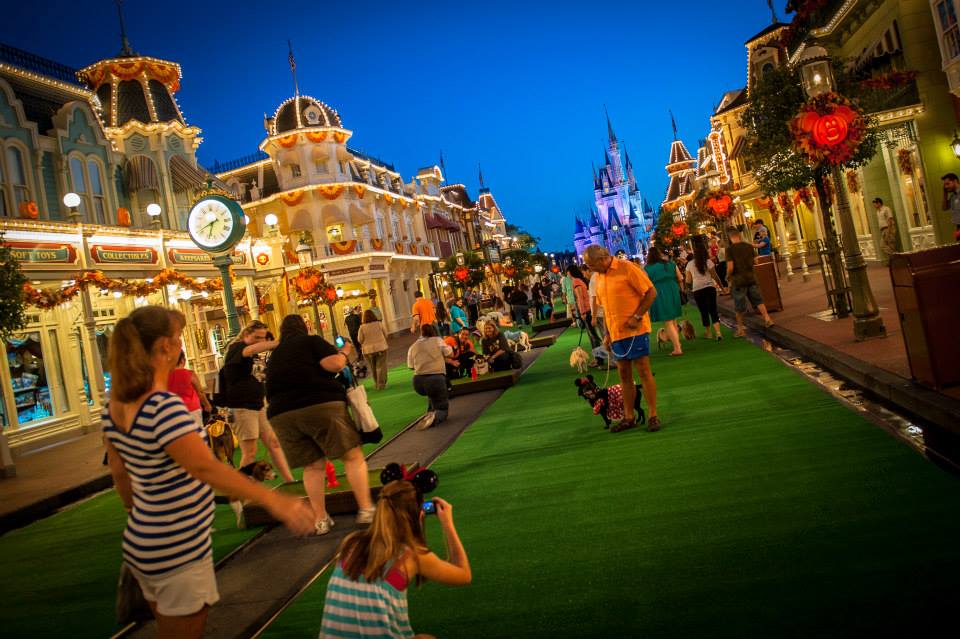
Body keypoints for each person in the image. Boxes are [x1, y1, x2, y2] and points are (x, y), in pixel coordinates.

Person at [103, 307, 313, 638]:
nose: (180, 346)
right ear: (164, 347)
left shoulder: (115, 405)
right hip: (177, 542)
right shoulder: (162, 406)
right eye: (178, 338)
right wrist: (274, 501)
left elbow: (119, 471)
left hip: (145, 539)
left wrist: (138, 512)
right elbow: (204, 465)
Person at [318, 480, 471, 639]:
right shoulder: (412, 555)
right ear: (419, 515)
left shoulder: (351, 543)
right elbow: (464, 575)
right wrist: (448, 524)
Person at [265, 314, 375, 535]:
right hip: (320, 404)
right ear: (304, 327)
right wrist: (344, 352)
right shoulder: (311, 341)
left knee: (313, 466)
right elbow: (334, 365)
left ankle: (321, 520)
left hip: (282, 415)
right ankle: (365, 509)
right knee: (352, 456)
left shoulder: (274, 356)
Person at [584, 244, 660, 432]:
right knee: (624, 374)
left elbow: (651, 292)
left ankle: (652, 414)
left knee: (643, 370)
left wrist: (637, 316)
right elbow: (607, 310)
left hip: (636, 331)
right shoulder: (598, 278)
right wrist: (608, 335)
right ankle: (629, 416)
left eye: (591, 265)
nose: (589, 269)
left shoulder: (627, 268)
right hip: (616, 333)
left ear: (602, 258)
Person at [223, 320, 294, 482]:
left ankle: (290, 480)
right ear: (246, 335)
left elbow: (259, 377)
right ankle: (245, 490)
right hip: (242, 407)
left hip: (257, 405)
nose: (260, 341)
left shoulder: (253, 354)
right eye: (256, 337)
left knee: (273, 443)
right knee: (250, 452)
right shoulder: (236, 348)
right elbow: (251, 349)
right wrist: (277, 343)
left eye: (262, 337)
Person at [726, 226, 775, 337]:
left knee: (739, 307)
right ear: (739, 236)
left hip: (738, 281)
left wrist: (728, 276)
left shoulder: (730, 250)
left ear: (730, 237)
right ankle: (767, 318)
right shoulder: (748, 246)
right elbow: (756, 261)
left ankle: (740, 329)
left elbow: (730, 267)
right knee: (758, 300)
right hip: (751, 278)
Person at [407, 324, 453, 429]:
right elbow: (449, 353)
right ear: (434, 331)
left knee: (431, 393)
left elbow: (410, 366)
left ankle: (430, 411)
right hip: (436, 379)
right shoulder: (437, 340)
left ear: (421, 333)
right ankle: (435, 417)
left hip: (418, 382)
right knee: (442, 408)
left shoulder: (413, 345)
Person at [644, 246, 684, 357]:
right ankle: (677, 343)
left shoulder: (647, 268)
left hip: (660, 292)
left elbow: (645, 284)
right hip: (673, 290)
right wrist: (681, 291)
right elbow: (680, 278)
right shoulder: (670, 264)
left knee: (668, 321)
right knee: (673, 319)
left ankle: (677, 348)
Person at [685, 237, 727, 340]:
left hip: (697, 290)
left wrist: (689, 289)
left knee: (703, 311)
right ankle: (718, 332)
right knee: (713, 310)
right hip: (709, 288)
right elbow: (715, 276)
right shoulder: (708, 262)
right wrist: (722, 287)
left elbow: (688, 280)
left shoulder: (690, 264)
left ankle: (708, 333)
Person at [168, 351, 212, 430]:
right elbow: (200, 392)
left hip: (176, 411)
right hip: (193, 408)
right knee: (198, 434)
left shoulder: (166, 377)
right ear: (182, 360)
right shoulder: (189, 374)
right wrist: (207, 404)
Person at [567, 264, 601, 349]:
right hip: (588, 308)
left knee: (592, 335)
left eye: (567, 272)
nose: (567, 274)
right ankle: (598, 355)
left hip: (586, 309)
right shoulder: (580, 280)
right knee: (593, 334)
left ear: (570, 273)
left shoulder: (576, 282)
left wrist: (583, 312)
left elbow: (580, 298)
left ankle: (599, 356)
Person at [357, 310, 389, 390]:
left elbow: (360, 340)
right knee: (380, 366)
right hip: (381, 348)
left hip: (368, 351)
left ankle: (376, 383)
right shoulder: (379, 324)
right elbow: (386, 334)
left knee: (373, 367)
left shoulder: (362, 327)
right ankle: (381, 384)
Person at [943, 173, 960, 240]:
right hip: (958, 228)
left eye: (948, 184)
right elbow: (944, 208)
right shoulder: (953, 196)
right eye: (945, 185)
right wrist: (945, 194)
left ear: (955, 181)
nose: (946, 187)